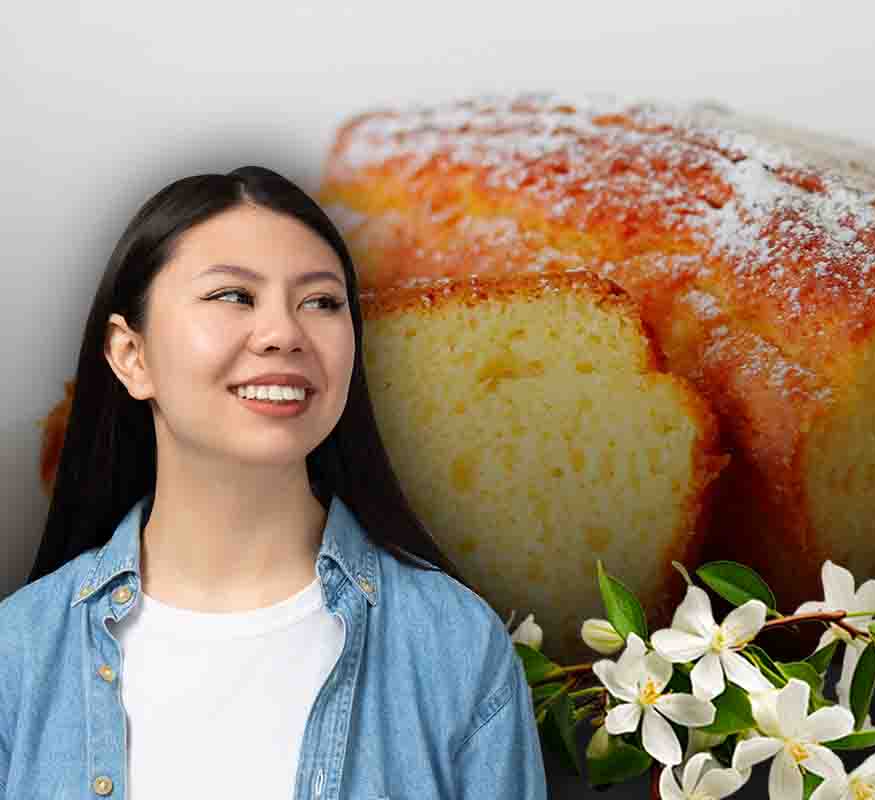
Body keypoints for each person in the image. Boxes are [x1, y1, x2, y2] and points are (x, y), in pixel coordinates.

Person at [0, 166, 548, 799]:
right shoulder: (21, 656)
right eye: (234, 296)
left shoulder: (453, 644)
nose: (284, 333)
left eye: (321, 302)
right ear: (132, 355)